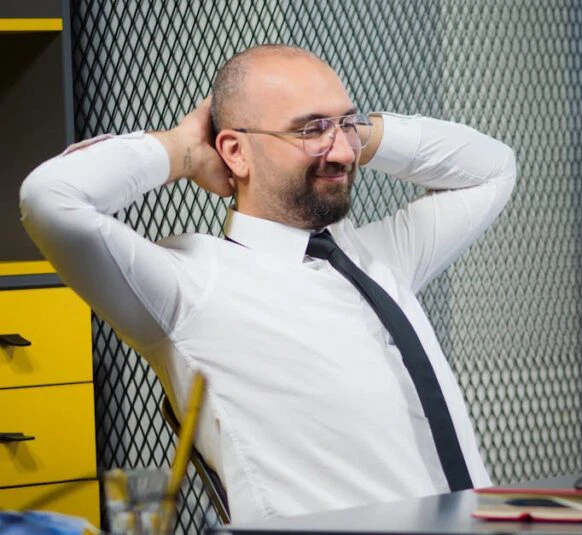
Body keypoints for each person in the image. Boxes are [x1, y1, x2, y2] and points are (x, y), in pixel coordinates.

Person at [20, 44, 517, 521]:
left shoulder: (383, 257)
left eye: (348, 124)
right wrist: (182, 150)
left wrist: (363, 134)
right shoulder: (187, 285)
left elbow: (491, 170)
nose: (343, 153)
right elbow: (51, 199)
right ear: (236, 151)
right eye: (311, 129)